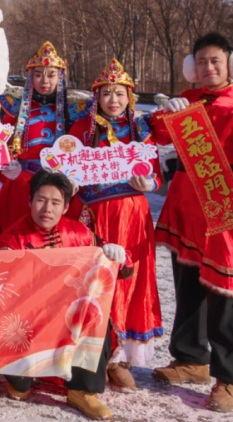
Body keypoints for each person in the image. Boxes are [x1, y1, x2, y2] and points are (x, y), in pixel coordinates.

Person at [153, 33, 233, 413]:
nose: (208, 68)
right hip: (186, 207)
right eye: (202, 61)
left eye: (215, 61)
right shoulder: (187, 102)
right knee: (188, 287)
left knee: (228, 294)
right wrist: (164, 113)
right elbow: (158, 136)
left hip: (226, 207)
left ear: (231, 64)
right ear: (192, 67)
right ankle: (190, 359)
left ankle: (230, 379)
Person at [0, 170, 127, 420]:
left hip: (70, 316)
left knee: (95, 315)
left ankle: (82, 390)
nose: (47, 208)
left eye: (55, 202)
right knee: (18, 380)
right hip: (30, 318)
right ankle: (22, 376)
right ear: (30, 201)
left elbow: (118, 267)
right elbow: (3, 289)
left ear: (66, 207)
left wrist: (117, 255)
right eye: (41, 200)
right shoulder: (12, 237)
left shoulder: (79, 233)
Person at [65, 59, 163, 388]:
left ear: (129, 97)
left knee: (130, 280)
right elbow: (65, 164)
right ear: (97, 97)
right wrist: (68, 181)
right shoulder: (81, 129)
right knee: (92, 281)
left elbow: (156, 174)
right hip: (92, 214)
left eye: (120, 94)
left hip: (132, 216)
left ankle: (120, 358)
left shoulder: (141, 130)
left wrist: (149, 182)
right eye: (106, 94)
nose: (113, 100)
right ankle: (89, 352)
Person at [0, 41, 86, 235]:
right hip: (21, 186)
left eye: (51, 75)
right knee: (16, 242)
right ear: (31, 77)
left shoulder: (74, 112)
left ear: (60, 77)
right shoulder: (15, 109)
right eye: (38, 74)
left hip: (58, 188)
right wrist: (5, 169)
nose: (45, 80)